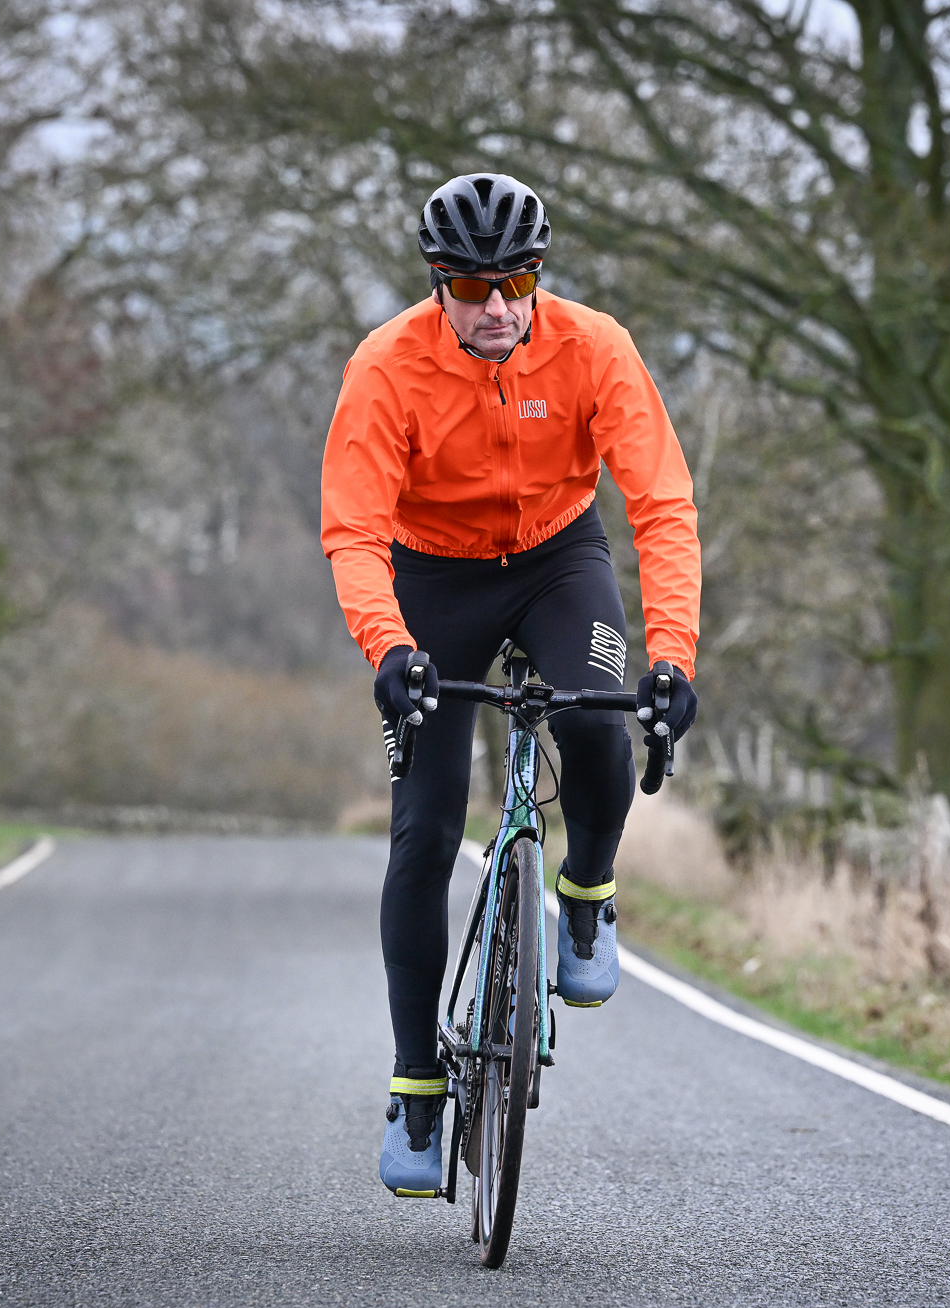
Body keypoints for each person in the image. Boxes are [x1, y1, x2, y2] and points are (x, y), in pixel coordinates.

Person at [319, 173, 702, 1197]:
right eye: (469, 286)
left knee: (602, 725)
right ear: (435, 284)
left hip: (554, 560)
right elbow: (353, 531)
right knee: (425, 826)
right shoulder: (384, 368)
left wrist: (671, 658)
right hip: (431, 575)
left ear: (540, 274)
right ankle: (414, 1086)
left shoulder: (593, 348)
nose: (496, 307)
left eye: (517, 280)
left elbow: (661, 506)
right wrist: (389, 649)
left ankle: (584, 890)